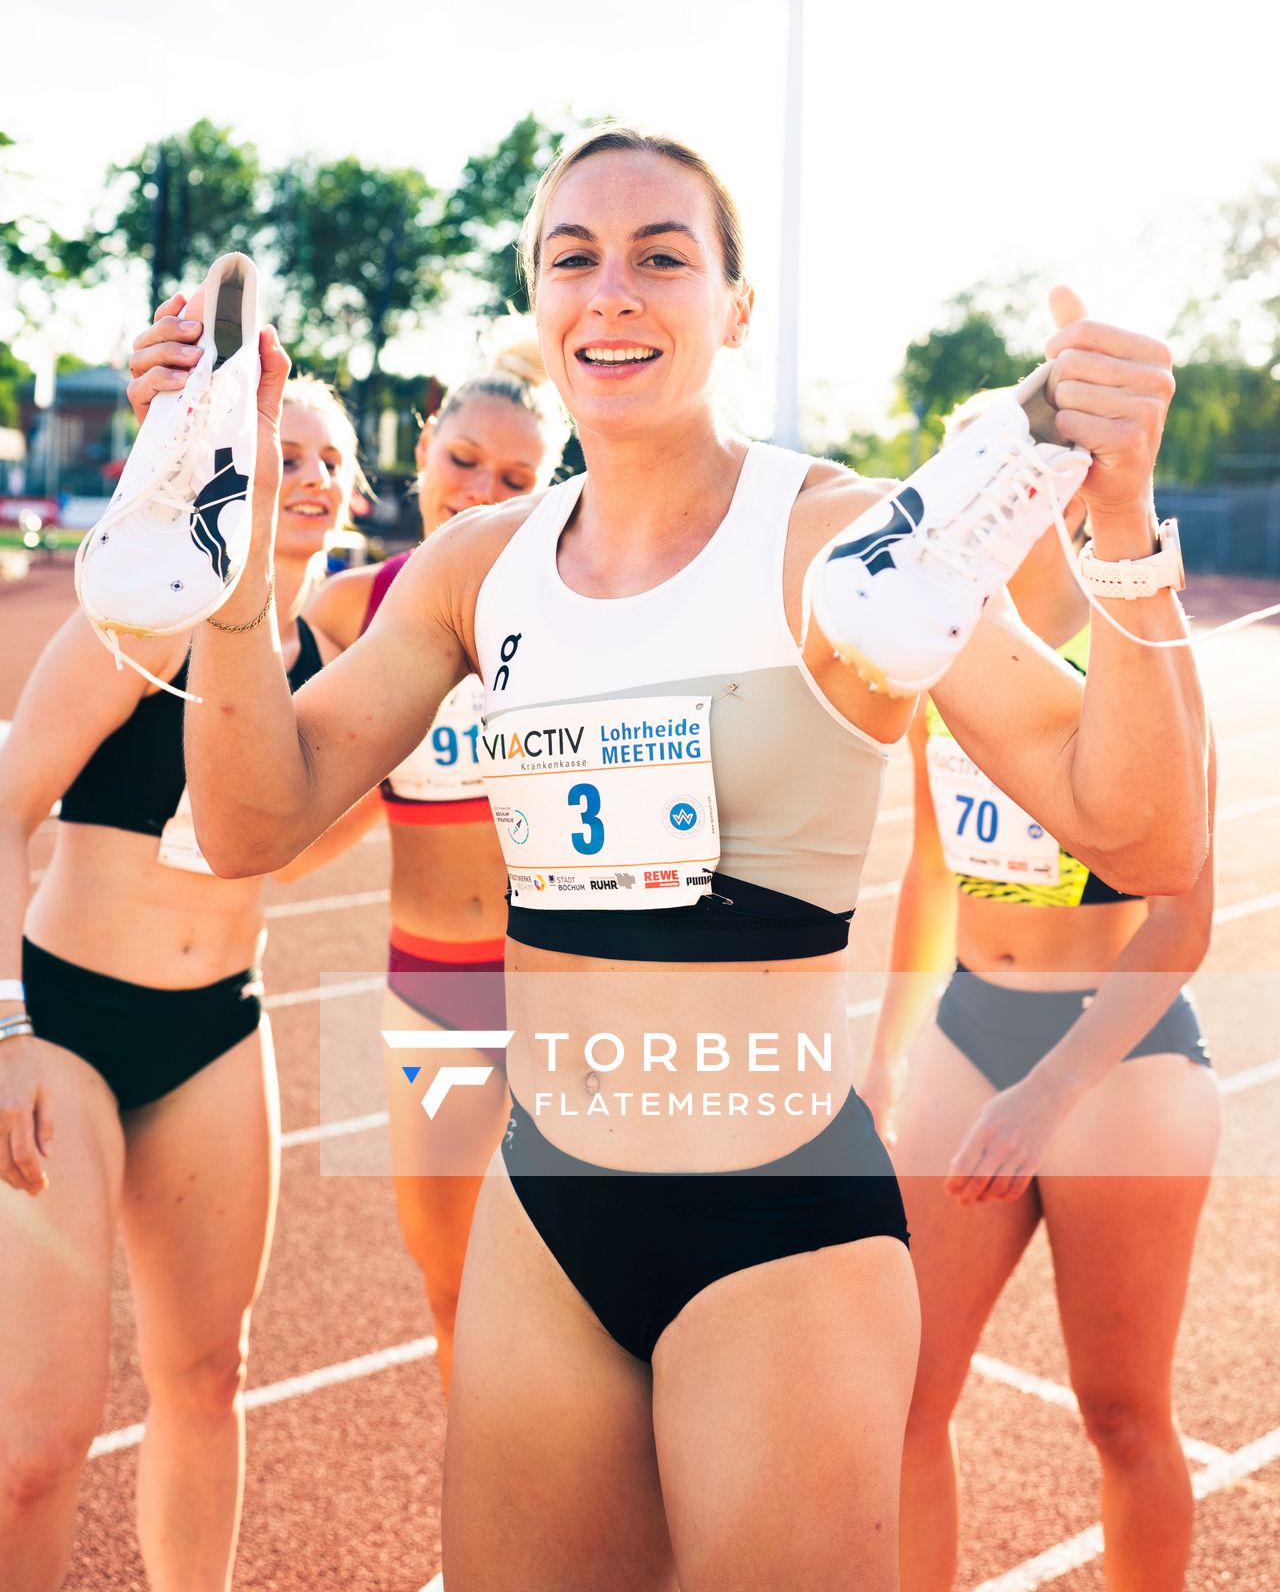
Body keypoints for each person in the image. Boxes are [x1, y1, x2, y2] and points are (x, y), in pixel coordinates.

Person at [172, 126, 1206, 1591]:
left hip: (774, 1234)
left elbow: (1143, 830)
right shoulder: (476, 571)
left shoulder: (838, 541)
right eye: (571, 259)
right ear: (535, 304)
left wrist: (1120, 524)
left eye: (663, 257)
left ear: (735, 308)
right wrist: (226, 565)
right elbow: (251, 823)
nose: (612, 294)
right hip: (550, 1217)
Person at [0, 318, 359, 1592]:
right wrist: (6, 1033)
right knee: (39, 1443)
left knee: (209, 1379)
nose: (308, 474)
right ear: (238, 461)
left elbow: (293, 855)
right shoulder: (148, 613)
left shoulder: (330, 675)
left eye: (331, 462)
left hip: (218, 1027)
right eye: (286, 450)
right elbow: (2, 803)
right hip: (64, 1024)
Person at [863, 387, 1220, 1592]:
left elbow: (1181, 918)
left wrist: (1046, 1092)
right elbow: (925, 867)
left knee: (1120, 1414)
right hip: (968, 1028)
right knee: (903, 1398)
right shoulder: (944, 659)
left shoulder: (1139, 649)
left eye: (996, 476)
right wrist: (884, 1056)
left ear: (1050, 488)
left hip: (1115, 1057)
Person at [279, 336, 565, 1393]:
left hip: (563, 993)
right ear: (425, 448)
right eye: (463, 462)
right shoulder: (349, 612)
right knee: (447, 1284)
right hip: (432, 994)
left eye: (515, 479)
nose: (481, 491)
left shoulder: (576, 614)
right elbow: (305, 833)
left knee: (582, 1294)